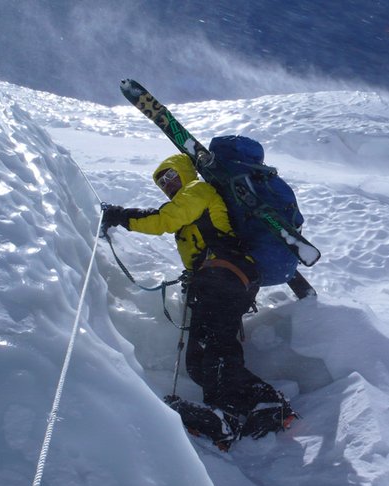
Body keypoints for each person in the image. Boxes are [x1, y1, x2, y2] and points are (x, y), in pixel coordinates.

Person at [101, 153, 297, 448]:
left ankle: (252, 407)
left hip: (227, 278)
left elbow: (163, 220)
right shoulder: (190, 202)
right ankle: (242, 407)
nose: (167, 184)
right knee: (197, 360)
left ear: (183, 171)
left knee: (219, 346)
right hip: (214, 282)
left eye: (170, 176)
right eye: (162, 182)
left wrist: (118, 216)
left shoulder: (198, 191)